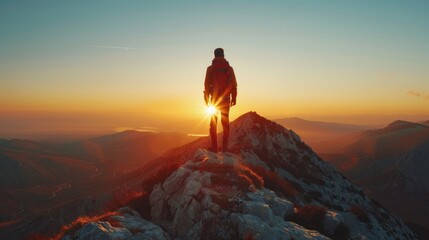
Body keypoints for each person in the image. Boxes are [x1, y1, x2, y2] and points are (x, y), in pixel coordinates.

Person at [204, 48, 237, 152]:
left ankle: (214, 147)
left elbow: (207, 85)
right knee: (225, 123)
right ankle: (225, 147)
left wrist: (207, 98)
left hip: (214, 100)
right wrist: (234, 97)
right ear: (223, 55)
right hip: (226, 100)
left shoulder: (210, 68)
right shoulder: (229, 68)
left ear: (214, 55)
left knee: (213, 124)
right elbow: (233, 84)